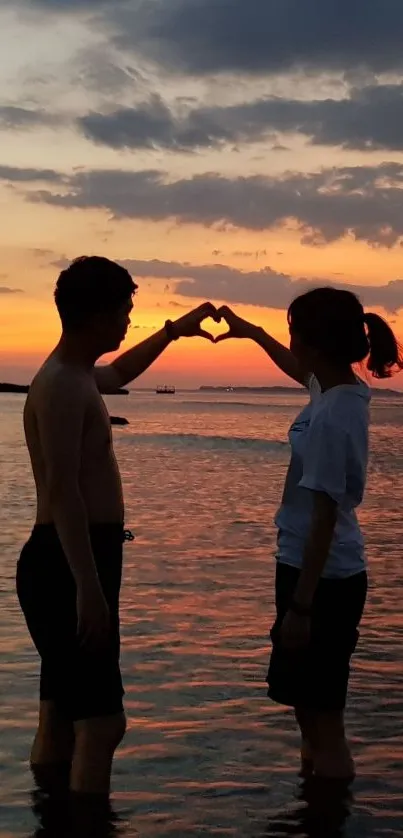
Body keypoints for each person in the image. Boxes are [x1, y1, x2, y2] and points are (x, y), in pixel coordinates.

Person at [16, 255, 218, 799]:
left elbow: (121, 373)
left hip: (75, 559)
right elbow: (63, 491)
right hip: (68, 564)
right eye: (125, 311)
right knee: (102, 724)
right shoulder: (60, 384)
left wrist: (176, 331)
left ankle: (51, 819)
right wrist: (89, 587)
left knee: (60, 711)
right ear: (97, 314)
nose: (130, 320)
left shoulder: (78, 375)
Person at [216, 288, 403, 781]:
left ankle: (327, 812)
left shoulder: (333, 415)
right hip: (315, 570)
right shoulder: (338, 390)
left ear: (315, 341)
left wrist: (300, 607)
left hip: (322, 580)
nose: (289, 338)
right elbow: (300, 373)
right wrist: (251, 332)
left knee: (323, 719)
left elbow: (323, 517)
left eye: (292, 329)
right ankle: (312, 810)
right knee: (309, 710)